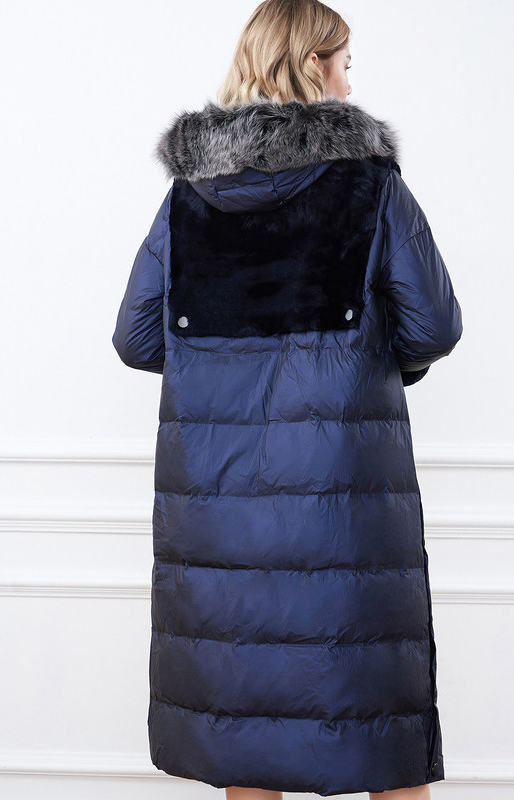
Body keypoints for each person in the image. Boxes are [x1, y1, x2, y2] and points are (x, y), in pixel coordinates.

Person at [112, 0, 463, 797]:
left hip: (220, 509)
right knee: (380, 727)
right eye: (344, 64)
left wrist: (220, 366)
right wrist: (374, 364)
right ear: (311, 65)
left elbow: (136, 338)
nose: (349, 83)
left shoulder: (189, 200)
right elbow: (434, 326)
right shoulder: (370, 188)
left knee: (246, 727)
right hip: (345, 506)